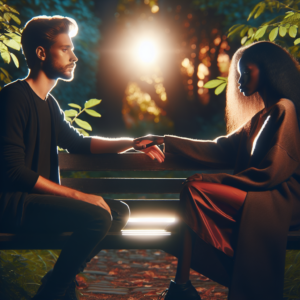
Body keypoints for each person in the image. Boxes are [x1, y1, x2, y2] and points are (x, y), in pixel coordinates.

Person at [0, 16, 165, 300]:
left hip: (39, 206)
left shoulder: (49, 104)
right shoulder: (14, 98)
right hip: (14, 206)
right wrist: (78, 196)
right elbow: (15, 172)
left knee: (119, 211)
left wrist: (133, 143)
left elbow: (78, 143)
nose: (74, 56)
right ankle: (54, 292)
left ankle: (60, 279)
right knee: (98, 216)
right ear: (41, 53)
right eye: (65, 49)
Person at [134, 41, 300, 300]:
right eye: (239, 74)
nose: (240, 80)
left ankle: (182, 287)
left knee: (194, 189)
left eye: (247, 72)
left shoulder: (284, 109)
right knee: (192, 191)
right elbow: (217, 148)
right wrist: (164, 139)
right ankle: (184, 285)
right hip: (260, 193)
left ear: (267, 70)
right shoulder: (260, 118)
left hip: (280, 199)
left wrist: (216, 179)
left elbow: (273, 171)